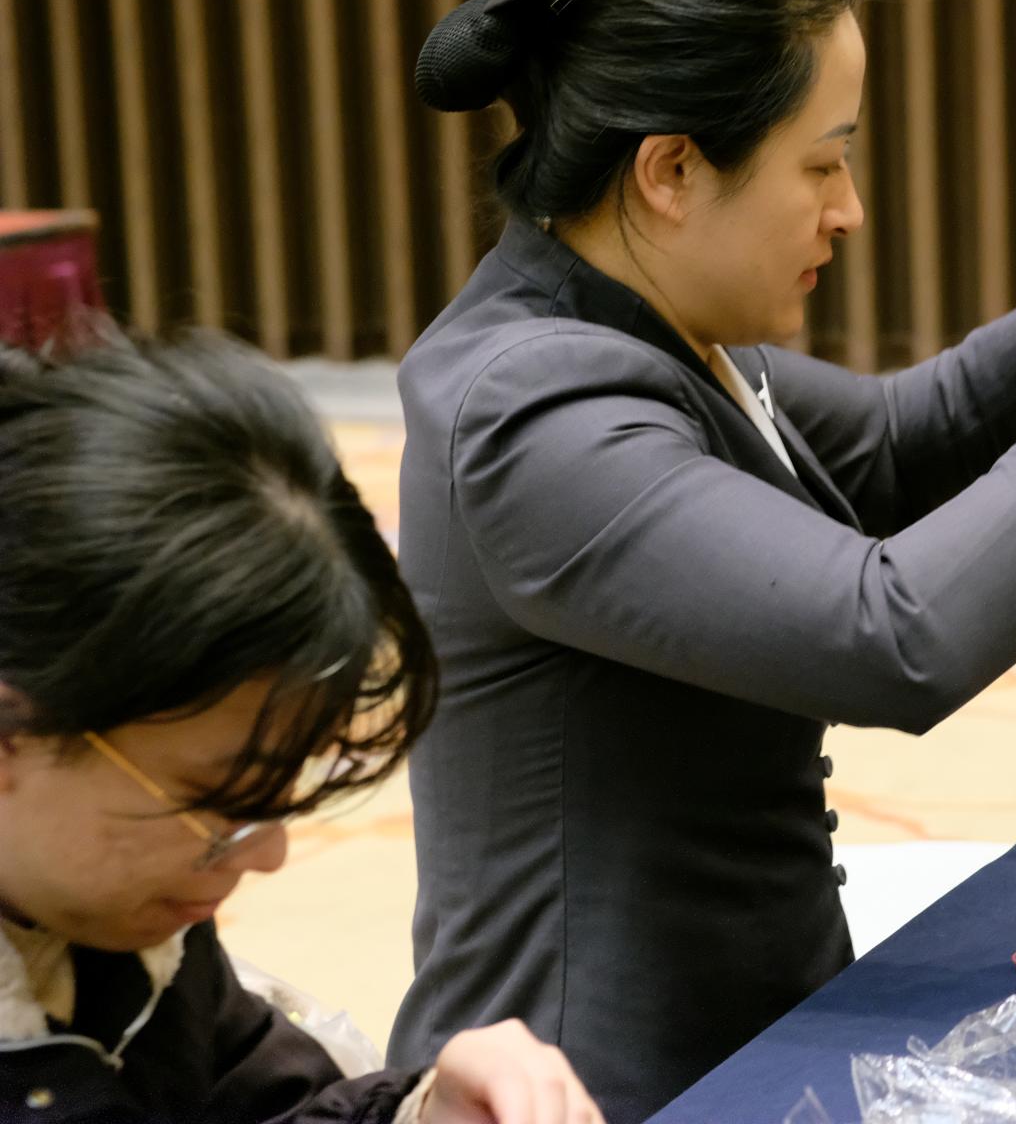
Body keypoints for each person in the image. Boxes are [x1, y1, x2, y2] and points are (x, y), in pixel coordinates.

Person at [387, 0, 1016, 1117]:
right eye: (822, 163)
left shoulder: (649, 327)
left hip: (752, 1020)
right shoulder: (530, 409)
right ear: (670, 169)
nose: (850, 210)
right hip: (600, 1081)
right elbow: (889, 634)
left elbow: (878, 449)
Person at [0, 330, 601, 1123]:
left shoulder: (125, 923)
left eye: (279, 793)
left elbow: (265, 1102)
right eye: (220, 799)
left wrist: (425, 1112)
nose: (269, 854)